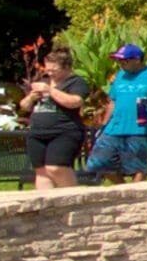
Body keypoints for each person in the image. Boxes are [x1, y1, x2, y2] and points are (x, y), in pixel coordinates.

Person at [92, 41, 147, 182]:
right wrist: (104, 124)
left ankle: (135, 197)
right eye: (118, 60)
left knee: (137, 167)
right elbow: (113, 101)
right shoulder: (120, 75)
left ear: (137, 60)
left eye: (124, 60)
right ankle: (125, 192)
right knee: (100, 162)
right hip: (115, 127)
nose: (120, 63)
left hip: (140, 127)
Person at [18, 44, 94, 190]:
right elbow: (24, 106)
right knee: (42, 172)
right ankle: (47, 205)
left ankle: (73, 198)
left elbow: (75, 102)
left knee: (56, 168)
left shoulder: (76, 82)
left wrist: (50, 91)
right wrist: (31, 98)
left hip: (64, 131)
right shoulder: (44, 82)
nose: (50, 73)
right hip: (37, 132)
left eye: (54, 70)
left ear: (67, 67)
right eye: (48, 69)